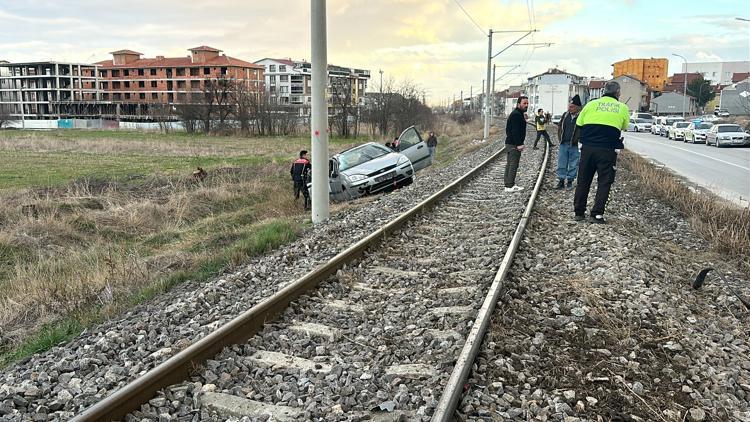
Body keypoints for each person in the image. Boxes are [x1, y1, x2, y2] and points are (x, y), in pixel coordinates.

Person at [573, 81, 629, 224]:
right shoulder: (622, 108)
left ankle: (579, 212)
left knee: (583, 180)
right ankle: (596, 214)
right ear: (618, 93)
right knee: (604, 182)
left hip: (588, 149)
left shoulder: (591, 105)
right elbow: (625, 126)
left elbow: (579, 124)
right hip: (608, 150)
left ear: (603, 91)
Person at [555, 95, 583, 190]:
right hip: (564, 143)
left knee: (573, 163)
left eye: (571, 107)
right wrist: (560, 138)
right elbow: (559, 126)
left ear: (578, 107)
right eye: (569, 106)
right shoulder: (565, 115)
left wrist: (580, 140)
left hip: (575, 145)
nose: (569, 108)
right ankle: (561, 181)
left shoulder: (581, 116)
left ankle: (570, 181)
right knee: (561, 163)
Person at [504, 95, 529, 192]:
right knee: (513, 164)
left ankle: (507, 185)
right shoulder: (516, 115)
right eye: (524, 103)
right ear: (519, 104)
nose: (526, 105)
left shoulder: (518, 114)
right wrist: (519, 144)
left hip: (511, 143)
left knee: (510, 164)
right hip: (514, 144)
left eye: (527, 103)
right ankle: (510, 186)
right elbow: (514, 131)